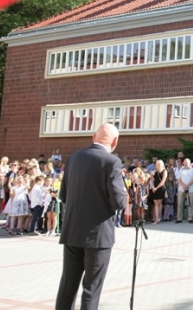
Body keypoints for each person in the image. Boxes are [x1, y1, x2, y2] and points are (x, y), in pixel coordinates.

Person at [55, 123, 127, 310]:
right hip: (98, 234)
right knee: (91, 288)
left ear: (93, 137)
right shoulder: (112, 162)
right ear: (115, 142)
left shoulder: (74, 158)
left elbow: (64, 195)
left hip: (72, 231)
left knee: (68, 285)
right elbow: (119, 202)